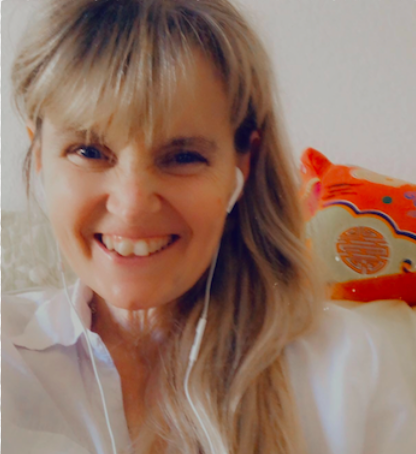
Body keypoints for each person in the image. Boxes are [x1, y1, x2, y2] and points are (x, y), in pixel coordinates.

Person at [2, 0, 415, 453]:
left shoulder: (349, 371)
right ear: (39, 155)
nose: (132, 204)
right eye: (88, 151)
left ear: (243, 163)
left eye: (182, 156)